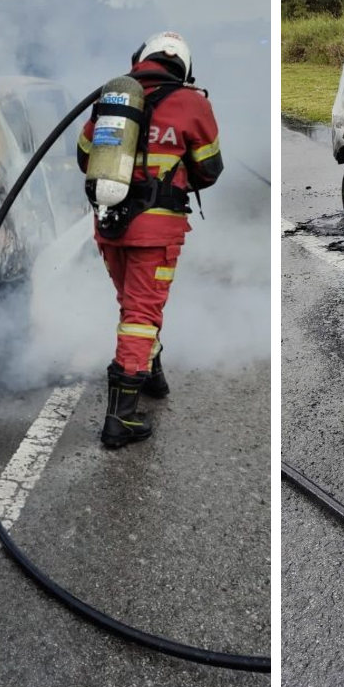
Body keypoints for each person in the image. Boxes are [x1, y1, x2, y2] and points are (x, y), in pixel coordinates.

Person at [76, 31, 223, 448]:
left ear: (141, 57)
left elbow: (85, 156)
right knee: (141, 312)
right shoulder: (192, 102)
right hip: (155, 229)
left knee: (134, 304)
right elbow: (210, 169)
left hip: (110, 224)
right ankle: (120, 418)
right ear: (184, 67)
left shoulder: (114, 99)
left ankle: (151, 373)